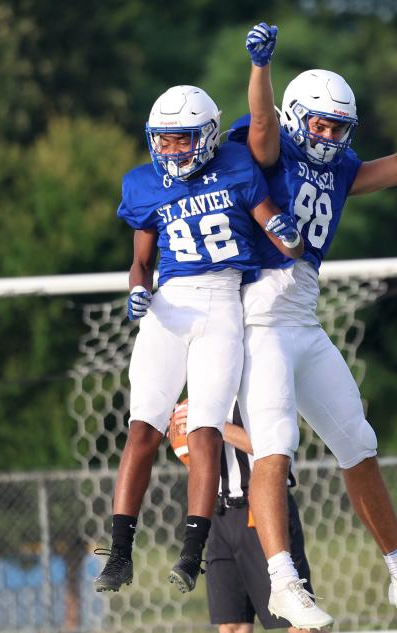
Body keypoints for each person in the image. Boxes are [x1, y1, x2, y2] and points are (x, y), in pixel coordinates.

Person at [230, 22, 397, 629]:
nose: (329, 136)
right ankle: (284, 585)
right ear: (296, 118)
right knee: (275, 448)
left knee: (358, 442)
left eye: (339, 127)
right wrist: (261, 68)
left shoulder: (339, 169)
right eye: (319, 124)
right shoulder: (272, 151)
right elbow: (260, 126)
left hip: (303, 317)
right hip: (258, 318)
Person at [93, 84, 305, 595]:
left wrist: (288, 236)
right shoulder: (144, 184)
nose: (170, 151)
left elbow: (272, 225)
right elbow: (140, 264)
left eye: (181, 139)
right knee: (143, 426)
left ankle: (192, 553)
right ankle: (120, 553)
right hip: (169, 306)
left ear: (207, 137)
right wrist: (139, 293)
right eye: (162, 141)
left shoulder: (235, 165)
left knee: (205, 428)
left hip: (222, 304)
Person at [170, 399, 313, 633]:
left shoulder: (261, 383)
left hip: (262, 509)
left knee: (300, 621)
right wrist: (184, 442)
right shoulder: (202, 390)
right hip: (219, 514)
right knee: (232, 624)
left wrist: (213, 423)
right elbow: (198, 467)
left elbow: (273, 446)